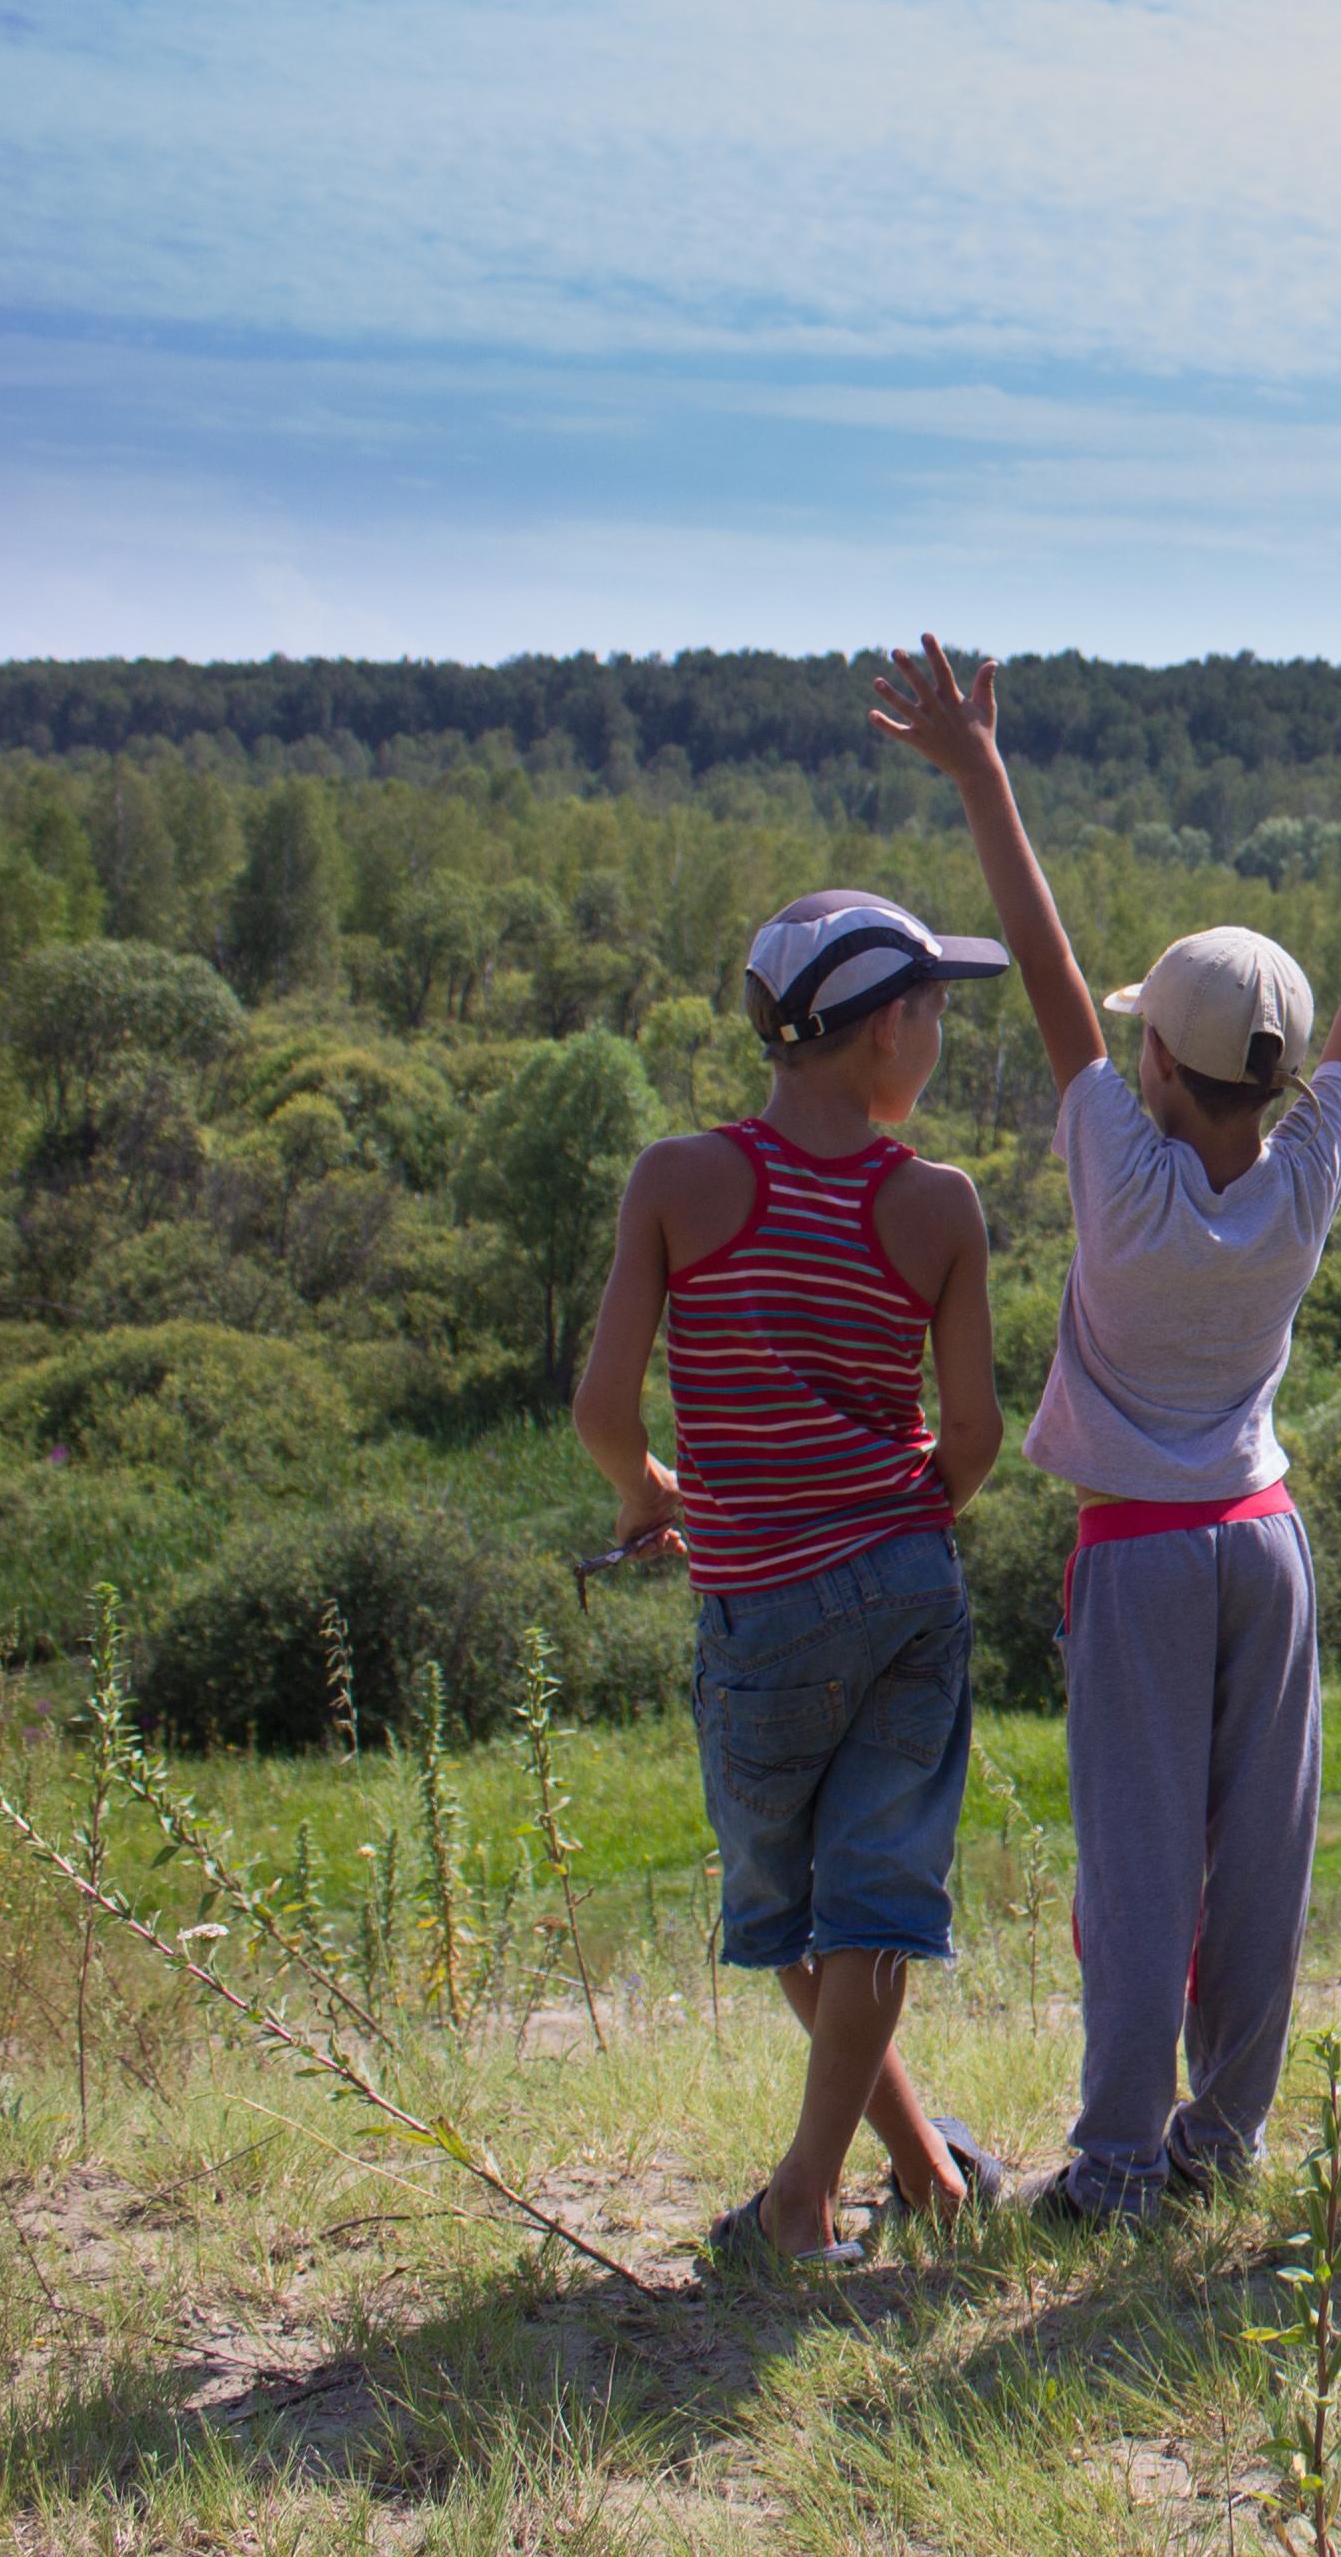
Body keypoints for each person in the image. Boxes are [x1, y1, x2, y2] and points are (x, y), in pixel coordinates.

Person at [867, 633, 1341, 2222]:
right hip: (1268, 1546)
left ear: (1145, 1066)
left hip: (1141, 1557)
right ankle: (1224, 2141)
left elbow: (1048, 967)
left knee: (1135, 1866)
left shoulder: (1119, 1174)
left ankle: (1117, 2158)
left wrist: (983, 771)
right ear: (1271, 1079)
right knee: (1262, 1857)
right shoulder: (1307, 1177)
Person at [571, 885, 1015, 2269]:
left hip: (754, 1608)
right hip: (902, 1587)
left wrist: (661, 1500)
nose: (938, 1036)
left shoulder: (677, 1180)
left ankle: (801, 2201)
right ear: (886, 1033)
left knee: (788, 1917)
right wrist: (898, 1511)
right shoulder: (938, 1205)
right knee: (879, 1895)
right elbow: (981, 1432)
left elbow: (603, 1408)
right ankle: (927, 2182)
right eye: (936, 1012)